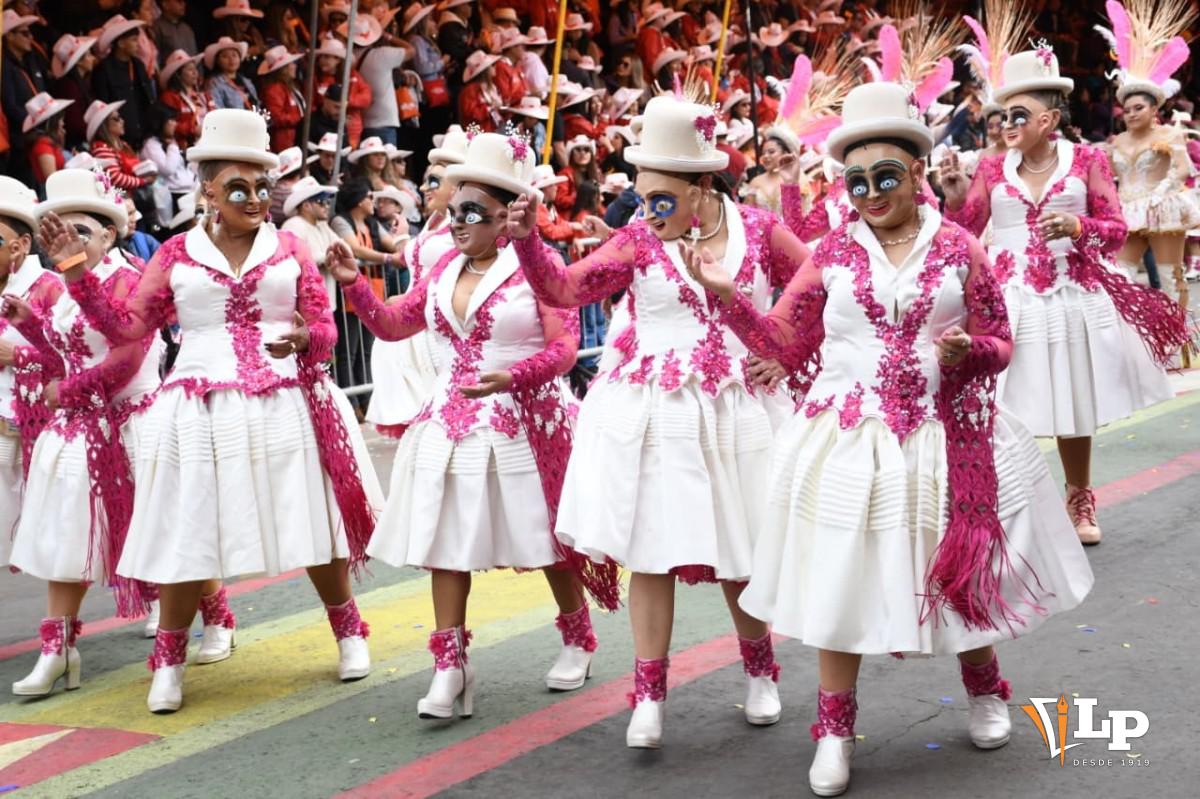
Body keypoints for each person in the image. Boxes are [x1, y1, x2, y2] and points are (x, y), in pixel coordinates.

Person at [687, 75, 1095, 799]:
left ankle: (984, 686)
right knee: (843, 574)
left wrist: (972, 350)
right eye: (856, 181)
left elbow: (1003, 339)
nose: (870, 193)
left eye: (885, 177)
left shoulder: (960, 246)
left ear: (915, 173)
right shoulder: (832, 253)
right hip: (850, 437)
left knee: (955, 564)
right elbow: (782, 339)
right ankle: (835, 729)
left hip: (946, 434)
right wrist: (726, 296)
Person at [54, 109, 382, 714]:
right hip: (199, 409)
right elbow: (128, 327)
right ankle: (169, 661)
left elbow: (327, 327)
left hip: (286, 399)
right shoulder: (175, 253)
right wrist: (79, 277)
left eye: (263, 187)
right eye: (239, 187)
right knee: (187, 533)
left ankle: (349, 631)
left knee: (311, 519)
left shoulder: (289, 248)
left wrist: (304, 340)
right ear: (206, 189)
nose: (255, 198)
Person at [506, 90, 805, 748]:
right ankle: (648, 692)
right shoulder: (639, 238)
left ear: (701, 186)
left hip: (739, 410)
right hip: (653, 410)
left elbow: (818, 288)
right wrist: (528, 238)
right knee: (650, 552)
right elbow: (564, 288)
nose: (650, 208)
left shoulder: (757, 228)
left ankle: (760, 671)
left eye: (662, 196)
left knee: (742, 550)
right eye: (644, 195)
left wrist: (787, 355)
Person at [329, 131, 619, 720]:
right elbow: (389, 324)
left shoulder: (537, 266)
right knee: (445, 544)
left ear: (505, 216)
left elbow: (565, 348)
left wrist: (515, 378)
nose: (456, 221)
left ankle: (577, 638)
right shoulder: (439, 270)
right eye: (452, 206)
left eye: (472, 212)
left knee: (544, 540)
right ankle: (450, 666)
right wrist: (354, 283)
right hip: (451, 425)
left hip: (525, 422)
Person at [940, 47, 1189, 547]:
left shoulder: (1088, 159)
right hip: (1008, 302)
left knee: (1071, 402)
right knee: (1001, 405)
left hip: (1072, 295)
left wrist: (1079, 227)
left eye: (1019, 115)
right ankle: (997, 503)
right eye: (1004, 114)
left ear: (1049, 119)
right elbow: (962, 233)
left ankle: (1080, 496)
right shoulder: (990, 169)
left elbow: (1117, 232)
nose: (1007, 124)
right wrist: (951, 195)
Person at [364, 125, 468, 439]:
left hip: (438, 331)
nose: (423, 188)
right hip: (412, 328)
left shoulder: (464, 225)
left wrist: (407, 303)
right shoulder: (434, 222)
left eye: (433, 181)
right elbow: (419, 258)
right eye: (425, 180)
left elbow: (447, 272)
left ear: (458, 185)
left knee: (445, 426)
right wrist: (401, 242)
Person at [1100, 0, 1200, 317]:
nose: (1130, 114)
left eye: (1138, 108)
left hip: (1162, 209)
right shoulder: (1118, 141)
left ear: (1154, 109)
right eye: (1126, 110)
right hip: (1129, 210)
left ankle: (1181, 340)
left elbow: (1183, 168)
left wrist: (1159, 194)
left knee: (1170, 278)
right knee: (1120, 274)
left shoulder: (1168, 135)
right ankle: (1139, 335)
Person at [0, 178, 62, 573]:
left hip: (48, 427)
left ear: (20, 246)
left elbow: (79, 358)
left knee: (72, 522)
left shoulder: (51, 289)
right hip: (4, 428)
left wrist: (18, 356)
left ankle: (155, 596)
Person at [92, 15, 155, 148]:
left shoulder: (138, 65)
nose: (138, 44)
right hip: (119, 140)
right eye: (133, 40)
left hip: (144, 136)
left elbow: (148, 98)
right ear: (121, 43)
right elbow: (103, 105)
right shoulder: (103, 70)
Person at [281, 176, 342, 304]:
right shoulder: (293, 225)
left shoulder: (322, 225)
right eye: (321, 201)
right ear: (306, 205)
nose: (326, 206)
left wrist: (331, 256)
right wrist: (326, 258)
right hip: (305, 302)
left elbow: (342, 246)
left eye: (327, 202)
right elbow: (294, 258)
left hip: (325, 301)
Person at [140, 103, 199, 230]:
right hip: (171, 196)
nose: (175, 124)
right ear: (160, 122)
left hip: (186, 192)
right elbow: (168, 169)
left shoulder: (170, 143)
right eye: (171, 120)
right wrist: (173, 146)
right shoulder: (151, 145)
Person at [86, 99, 153, 195]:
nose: (122, 121)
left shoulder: (123, 144)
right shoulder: (101, 148)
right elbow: (115, 178)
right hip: (121, 200)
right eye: (116, 118)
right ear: (104, 125)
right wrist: (144, 181)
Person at [50, 34, 98, 152]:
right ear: (79, 62)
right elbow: (74, 123)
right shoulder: (69, 86)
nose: (93, 58)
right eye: (89, 55)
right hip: (77, 144)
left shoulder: (81, 83)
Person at [257, 45, 306, 152]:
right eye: (291, 64)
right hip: (283, 141)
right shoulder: (274, 89)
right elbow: (276, 117)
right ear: (283, 69)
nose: (295, 66)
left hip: (294, 137)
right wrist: (300, 119)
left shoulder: (290, 86)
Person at [158, 50, 210, 150]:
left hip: (210, 141)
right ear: (178, 74)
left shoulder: (204, 95)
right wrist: (193, 129)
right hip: (185, 147)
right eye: (190, 70)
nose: (195, 73)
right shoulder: (169, 97)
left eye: (195, 69)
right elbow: (169, 126)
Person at [22, 92, 73, 186]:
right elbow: (52, 180)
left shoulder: (47, 143)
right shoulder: (42, 145)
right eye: (60, 120)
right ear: (52, 122)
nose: (62, 123)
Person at [204, 37, 259, 111]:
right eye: (225, 56)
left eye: (234, 55)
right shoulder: (214, 83)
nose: (231, 59)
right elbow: (217, 110)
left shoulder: (247, 81)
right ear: (217, 61)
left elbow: (257, 104)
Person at [458, 51, 504, 133]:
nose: (495, 67)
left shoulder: (491, 87)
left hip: (491, 131)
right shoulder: (470, 90)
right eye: (492, 65)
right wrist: (491, 107)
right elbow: (471, 114)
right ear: (485, 70)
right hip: (478, 134)